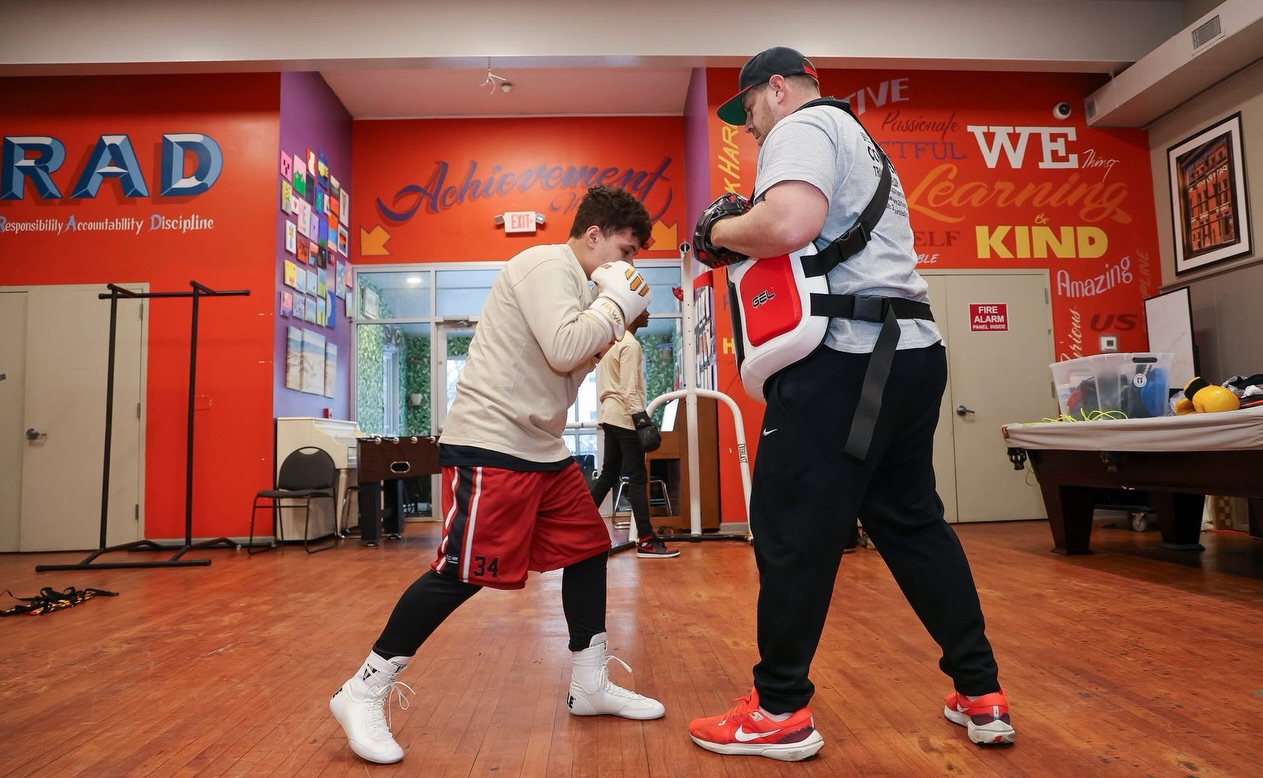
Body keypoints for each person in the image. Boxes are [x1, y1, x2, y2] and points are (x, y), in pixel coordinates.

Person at [687, 47, 1015, 762]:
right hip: (910, 351)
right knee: (910, 522)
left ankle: (777, 710)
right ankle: (979, 690)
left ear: (777, 89)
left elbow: (785, 225)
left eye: (748, 112)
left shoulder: (800, 129)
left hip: (847, 355)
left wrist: (714, 232)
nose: (748, 130)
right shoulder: (860, 144)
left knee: (790, 525)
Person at [330, 185, 665, 765]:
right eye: (626, 249)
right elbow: (564, 351)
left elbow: (562, 365)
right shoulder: (544, 264)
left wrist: (610, 316)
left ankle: (589, 684)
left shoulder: (581, 287)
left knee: (587, 549)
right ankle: (363, 689)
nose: (629, 265)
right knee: (463, 572)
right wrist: (615, 309)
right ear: (593, 236)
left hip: (542, 446)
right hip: (494, 443)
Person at [589, 310, 680, 558]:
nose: (649, 314)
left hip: (610, 416)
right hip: (624, 417)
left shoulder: (612, 345)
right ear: (630, 316)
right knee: (638, 478)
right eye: (643, 311)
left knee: (608, 475)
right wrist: (642, 420)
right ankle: (647, 541)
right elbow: (629, 389)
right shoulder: (630, 344)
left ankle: (575, 527)